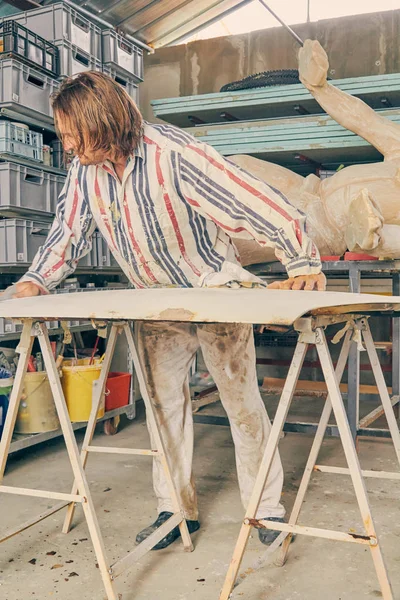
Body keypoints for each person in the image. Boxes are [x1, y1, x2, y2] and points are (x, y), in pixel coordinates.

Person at [9, 71, 326, 549]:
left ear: (104, 122)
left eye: (74, 133)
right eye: (64, 133)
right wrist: (35, 281)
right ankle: (174, 512)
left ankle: (266, 511)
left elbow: (249, 198)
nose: (67, 144)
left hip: (215, 293)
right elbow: (66, 232)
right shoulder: (84, 169)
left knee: (241, 406)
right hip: (154, 302)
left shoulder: (172, 153)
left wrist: (302, 259)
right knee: (163, 409)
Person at [230, 39, 400, 267]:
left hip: (321, 228)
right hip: (308, 188)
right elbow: (363, 118)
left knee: (235, 241)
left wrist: (373, 237)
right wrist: (320, 87)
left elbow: (385, 241)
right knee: (236, 166)